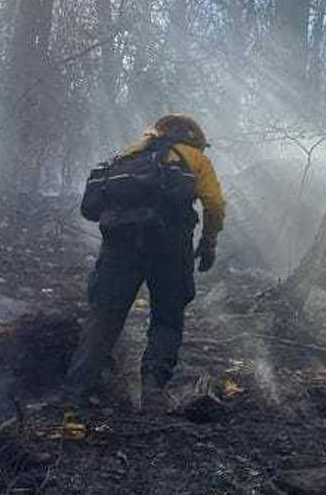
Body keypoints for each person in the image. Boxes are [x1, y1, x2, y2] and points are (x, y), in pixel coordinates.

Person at [66, 114, 226, 412]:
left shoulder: (129, 153)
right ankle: (153, 389)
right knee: (167, 317)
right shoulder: (195, 159)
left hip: (120, 244)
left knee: (104, 316)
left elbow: (97, 202)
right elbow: (214, 204)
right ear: (195, 138)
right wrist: (209, 241)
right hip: (170, 244)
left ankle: (78, 390)